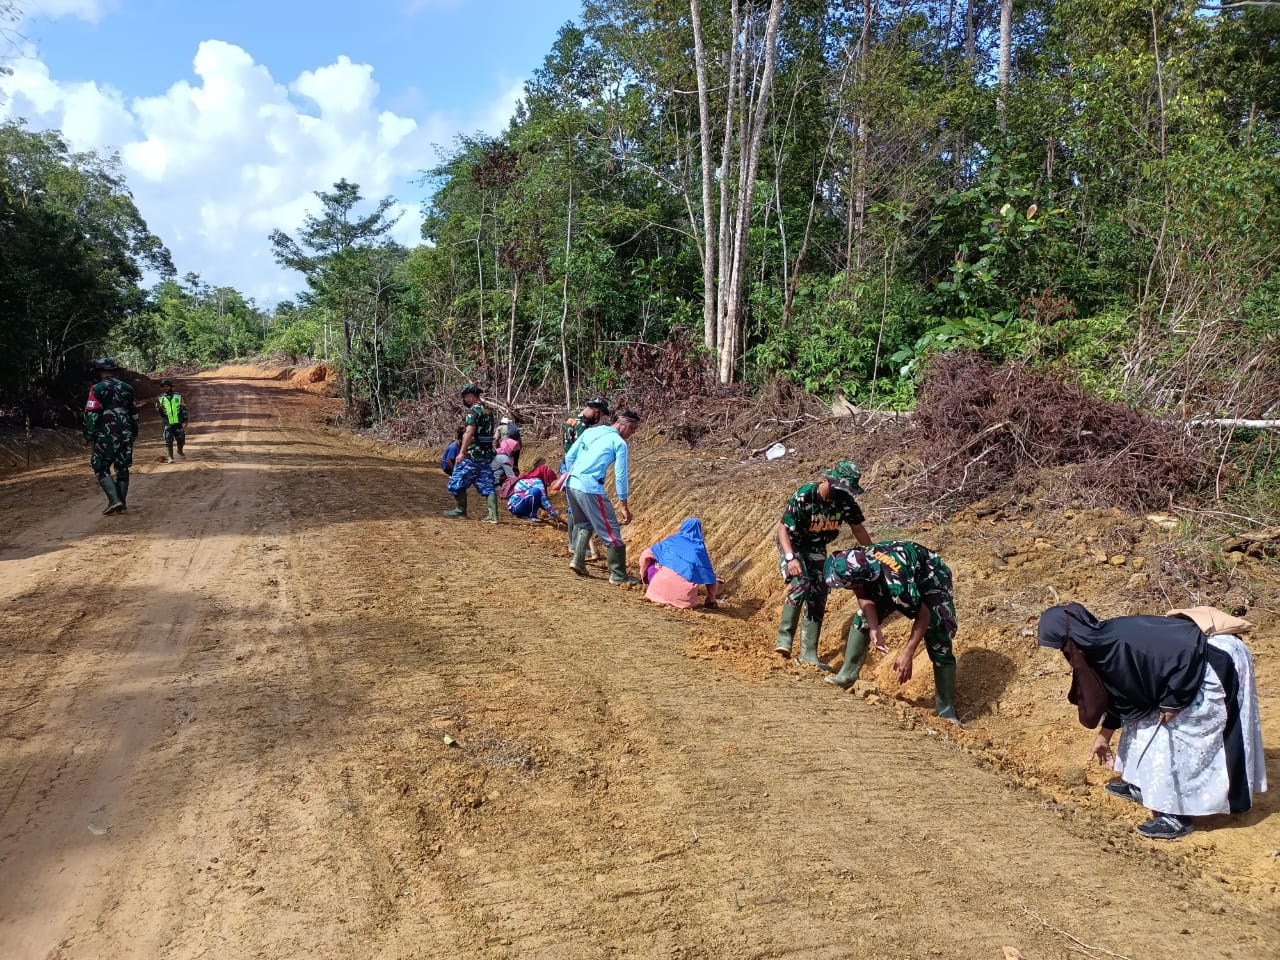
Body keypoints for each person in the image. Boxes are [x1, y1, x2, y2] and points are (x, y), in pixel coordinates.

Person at [1037, 603, 1266, 840]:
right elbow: (1126, 697)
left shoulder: (1117, 643)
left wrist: (1173, 701)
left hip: (1211, 661)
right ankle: (1141, 783)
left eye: (1061, 646)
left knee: (1177, 735)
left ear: (1071, 638)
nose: (1063, 653)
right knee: (1142, 718)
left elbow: (1186, 652)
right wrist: (1103, 736)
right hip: (1187, 664)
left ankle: (1176, 815)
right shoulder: (1100, 647)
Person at [823, 541, 960, 722]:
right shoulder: (857, 558)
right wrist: (874, 627)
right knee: (862, 619)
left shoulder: (897, 586)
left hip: (931, 578)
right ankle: (847, 674)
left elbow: (923, 616)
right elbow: (862, 593)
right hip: (895, 572)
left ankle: (946, 709)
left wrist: (908, 653)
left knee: (938, 635)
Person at [773, 461, 872, 667]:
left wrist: (874, 553)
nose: (845, 492)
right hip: (794, 544)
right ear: (831, 481)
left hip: (817, 548)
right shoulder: (805, 495)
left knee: (820, 593)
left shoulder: (845, 501)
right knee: (801, 583)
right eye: (843, 487)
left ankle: (809, 654)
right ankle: (784, 641)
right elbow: (782, 529)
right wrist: (791, 558)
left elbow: (858, 529)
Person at [563, 409, 641, 584]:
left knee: (585, 523)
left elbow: (569, 456)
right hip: (590, 487)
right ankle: (618, 575)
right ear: (624, 426)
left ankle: (578, 560)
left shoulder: (591, 431)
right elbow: (620, 475)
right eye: (633, 430)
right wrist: (624, 506)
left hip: (572, 483)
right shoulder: (619, 443)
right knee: (611, 530)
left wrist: (573, 473)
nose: (632, 434)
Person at [83, 358, 139, 515]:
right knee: (122, 467)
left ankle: (114, 500)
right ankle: (122, 505)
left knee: (99, 465)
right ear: (114, 371)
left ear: (100, 372)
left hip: (106, 433)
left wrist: (88, 435)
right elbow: (134, 412)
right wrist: (134, 431)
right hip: (126, 432)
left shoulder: (97, 389)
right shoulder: (127, 388)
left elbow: (91, 414)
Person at [562, 398, 611, 559]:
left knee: (573, 506)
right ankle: (576, 545)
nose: (600, 418)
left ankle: (573, 544)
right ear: (596, 410)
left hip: (568, 466)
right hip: (578, 469)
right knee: (579, 509)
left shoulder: (571, 421)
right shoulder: (583, 427)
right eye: (601, 414)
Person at [444, 384, 499, 523]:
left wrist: (461, 452)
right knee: (487, 483)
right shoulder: (488, 410)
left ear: (470, 396)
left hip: (473, 454)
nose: (465, 400)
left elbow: (469, 432)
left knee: (457, 480)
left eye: (465, 397)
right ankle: (493, 516)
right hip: (486, 455)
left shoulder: (473, 411)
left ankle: (460, 510)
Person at [640, 518, 719, 610]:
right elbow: (709, 577)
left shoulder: (671, 541)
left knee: (655, 560)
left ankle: (654, 585)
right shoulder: (699, 549)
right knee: (709, 574)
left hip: (654, 594)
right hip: (685, 602)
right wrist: (711, 598)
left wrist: (644, 578)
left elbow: (645, 555)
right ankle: (711, 601)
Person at [155, 378, 187, 463]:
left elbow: (183, 408)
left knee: (181, 439)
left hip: (178, 422)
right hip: (167, 423)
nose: (165, 388)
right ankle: (170, 457)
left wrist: (185, 420)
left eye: (167, 386)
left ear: (171, 387)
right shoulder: (160, 398)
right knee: (168, 440)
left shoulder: (178, 396)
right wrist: (160, 409)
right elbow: (158, 410)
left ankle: (180, 450)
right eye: (164, 387)